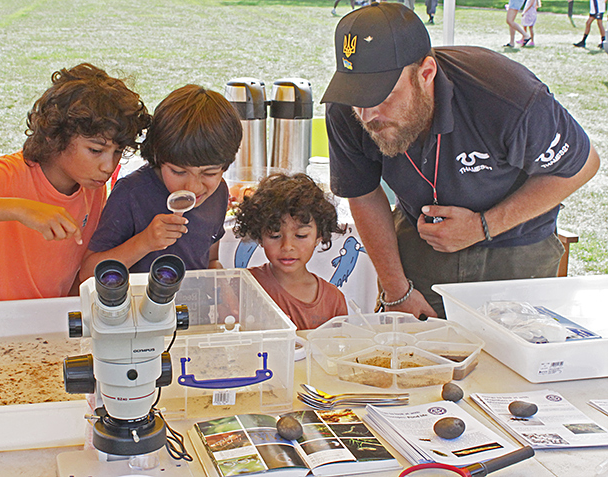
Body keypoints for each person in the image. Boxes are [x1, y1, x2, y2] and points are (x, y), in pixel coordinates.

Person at [321, 4, 600, 318]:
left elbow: (582, 165)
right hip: (420, 240)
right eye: (358, 98)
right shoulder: (346, 109)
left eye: (382, 96)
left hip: (517, 246)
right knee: (413, 355)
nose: (368, 116)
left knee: (512, 357)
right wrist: (397, 290)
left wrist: (483, 227)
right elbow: (363, 192)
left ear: (426, 74)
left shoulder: (506, 96)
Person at [0, 63, 150, 302]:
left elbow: (78, 273)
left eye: (118, 152)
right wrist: (21, 209)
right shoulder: (9, 173)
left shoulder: (92, 186)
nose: (108, 167)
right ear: (55, 135)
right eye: (95, 150)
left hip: (53, 320)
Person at [80, 84, 242, 279]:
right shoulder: (131, 194)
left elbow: (209, 259)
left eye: (209, 173)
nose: (192, 187)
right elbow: (88, 274)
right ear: (158, 157)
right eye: (178, 171)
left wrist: (222, 283)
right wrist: (144, 242)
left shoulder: (218, 193)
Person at [233, 173, 348, 330]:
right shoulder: (244, 286)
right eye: (275, 235)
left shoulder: (333, 300)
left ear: (319, 235)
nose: (287, 246)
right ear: (259, 236)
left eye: (301, 235)